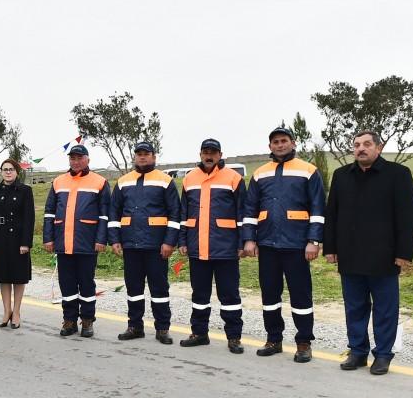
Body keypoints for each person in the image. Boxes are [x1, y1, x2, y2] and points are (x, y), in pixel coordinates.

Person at [324, 130, 413, 375]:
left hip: (384, 256)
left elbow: (409, 216)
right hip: (350, 254)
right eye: (357, 145)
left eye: (367, 144)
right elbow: (332, 214)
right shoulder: (341, 175)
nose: (361, 148)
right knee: (354, 307)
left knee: (385, 309)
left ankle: (383, 355)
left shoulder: (398, 174)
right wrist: (330, 247)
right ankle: (357, 352)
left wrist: (404, 253)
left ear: (379, 147)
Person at [242, 128, 325, 363]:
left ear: (293, 143)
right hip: (267, 244)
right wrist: (249, 238)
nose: (280, 145)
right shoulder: (260, 173)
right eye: (275, 142)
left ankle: (304, 342)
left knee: (300, 295)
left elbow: (318, 208)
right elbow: (250, 209)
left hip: (297, 244)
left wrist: (313, 240)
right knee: (270, 294)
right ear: (270, 146)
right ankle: (273, 339)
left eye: (284, 141)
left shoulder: (308, 170)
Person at [108, 141, 181, 344]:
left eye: (146, 153)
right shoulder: (123, 182)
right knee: (134, 289)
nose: (142, 156)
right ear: (135, 157)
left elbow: (175, 213)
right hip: (130, 245)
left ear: (153, 157)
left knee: (159, 290)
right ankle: (135, 327)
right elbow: (114, 212)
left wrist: (169, 242)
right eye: (139, 153)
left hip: (156, 246)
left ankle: (162, 328)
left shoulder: (165, 181)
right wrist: (114, 239)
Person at [178, 139, 246, 354]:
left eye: (213, 152)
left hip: (226, 248)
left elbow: (242, 213)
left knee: (230, 296)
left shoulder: (234, 178)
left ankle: (234, 337)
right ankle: (199, 333)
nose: (209, 156)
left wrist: (242, 242)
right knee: (199, 295)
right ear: (200, 154)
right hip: (197, 247)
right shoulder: (189, 178)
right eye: (206, 152)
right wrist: (182, 241)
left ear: (220, 155)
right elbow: (183, 213)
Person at [43, 145, 111, 338]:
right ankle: (70, 320)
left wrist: (101, 239)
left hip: (87, 243)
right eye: (72, 158)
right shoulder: (58, 181)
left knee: (86, 284)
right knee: (67, 284)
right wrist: (48, 238)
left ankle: (87, 320)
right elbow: (49, 213)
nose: (76, 161)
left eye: (80, 158)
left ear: (88, 159)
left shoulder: (100, 182)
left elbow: (105, 214)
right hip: (63, 243)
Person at [0, 158, 34, 328]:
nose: (8, 172)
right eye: (5, 169)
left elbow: (29, 218)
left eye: (11, 169)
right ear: (1, 172)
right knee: (3, 276)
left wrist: (26, 242)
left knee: (18, 276)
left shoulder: (25, 191)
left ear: (17, 172)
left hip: (18, 239)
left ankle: (16, 312)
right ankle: (6, 311)